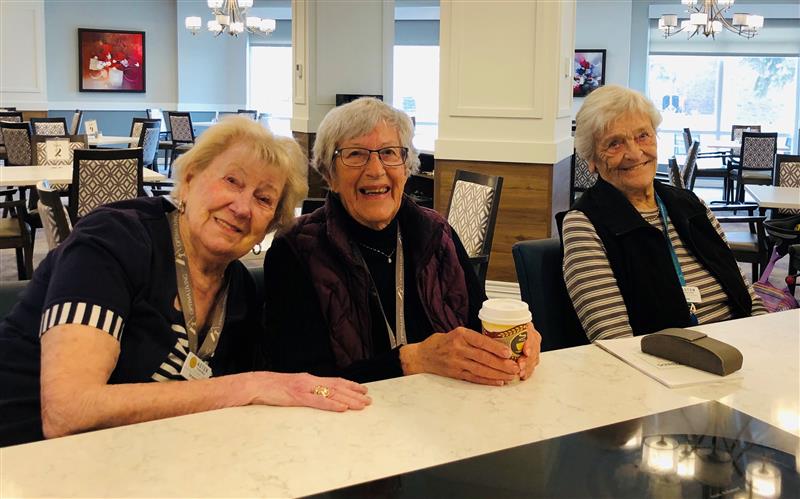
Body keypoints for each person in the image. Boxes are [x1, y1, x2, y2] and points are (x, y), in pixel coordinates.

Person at [0, 117, 370, 447]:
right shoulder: (113, 241)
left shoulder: (237, 291)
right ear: (190, 179)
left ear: (270, 225)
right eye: (231, 181)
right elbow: (68, 411)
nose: (242, 207)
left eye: (263, 198)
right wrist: (251, 385)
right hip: (26, 458)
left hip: (136, 460)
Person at [263, 97, 541, 385]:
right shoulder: (296, 250)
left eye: (388, 153)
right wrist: (410, 361)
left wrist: (515, 339)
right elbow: (296, 381)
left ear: (406, 169)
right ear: (330, 175)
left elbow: (477, 324)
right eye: (356, 154)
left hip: (447, 413)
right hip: (349, 422)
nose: (375, 169)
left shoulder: (437, 233)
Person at [559, 85, 765, 342]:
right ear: (591, 159)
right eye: (614, 143)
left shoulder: (692, 205)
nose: (634, 153)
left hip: (739, 352)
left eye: (643, 136)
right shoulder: (584, 224)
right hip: (664, 365)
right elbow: (615, 341)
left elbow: (748, 297)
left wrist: (763, 344)